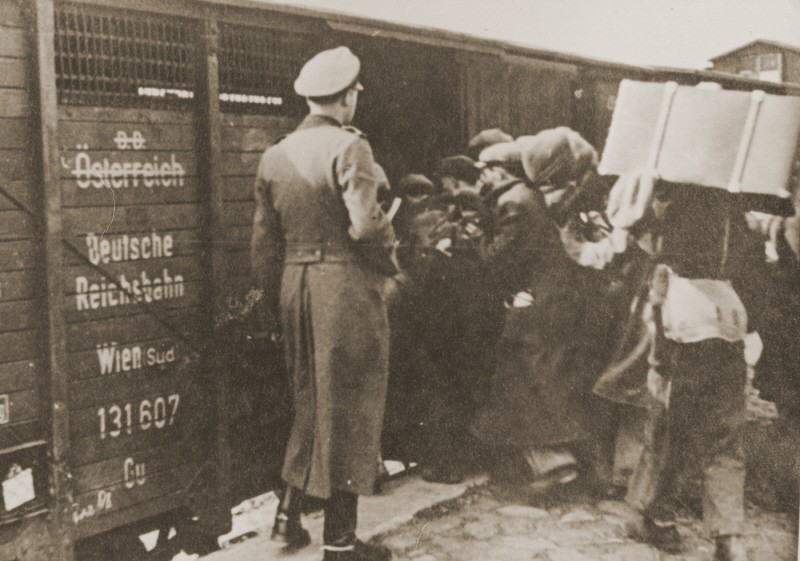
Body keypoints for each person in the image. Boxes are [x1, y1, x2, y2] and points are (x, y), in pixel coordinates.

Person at [251, 46, 396, 561]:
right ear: (347, 97)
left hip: (295, 288)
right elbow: (366, 226)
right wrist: (391, 259)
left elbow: (262, 247)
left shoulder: (275, 154)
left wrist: (274, 306)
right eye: (355, 92)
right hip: (344, 290)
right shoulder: (351, 148)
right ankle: (341, 545)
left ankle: (287, 521)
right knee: (353, 407)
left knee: (310, 402)